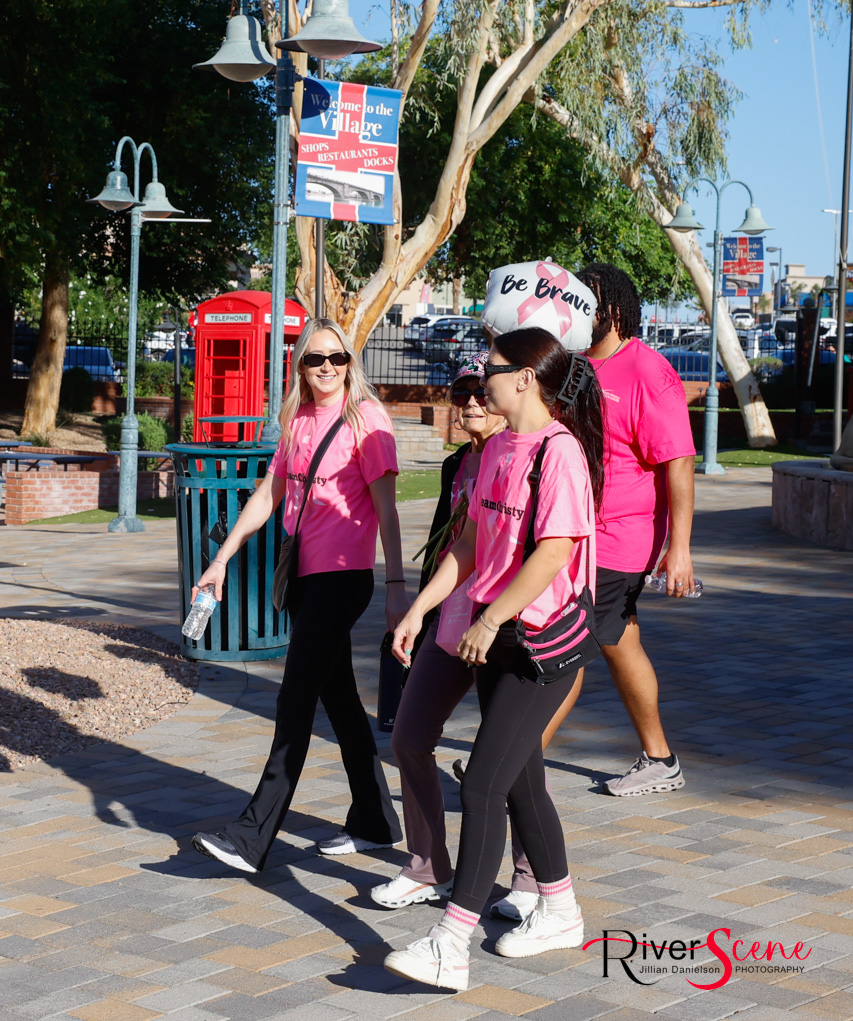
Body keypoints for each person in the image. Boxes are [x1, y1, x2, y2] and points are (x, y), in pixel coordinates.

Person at [383, 327, 604, 991]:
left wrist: (490, 615)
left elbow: (552, 551)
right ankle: (560, 908)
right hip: (491, 633)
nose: (481, 379)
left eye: (492, 369)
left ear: (524, 378)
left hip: (538, 643)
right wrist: (423, 608)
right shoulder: (501, 445)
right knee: (517, 779)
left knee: (481, 781)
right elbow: (473, 540)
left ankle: (451, 943)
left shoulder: (558, 451)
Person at [191, 318, 405, 873]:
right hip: (305, 578)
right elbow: (269, 493)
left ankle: (253, 834)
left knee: (294, 699)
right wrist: (221, 558)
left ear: (350, 363)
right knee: (339, 701)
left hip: (345, 576)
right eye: (316, 359)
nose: (328, 367)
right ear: (300, 367)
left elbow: (387, 510)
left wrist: (399, 588)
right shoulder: (296, 420)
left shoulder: (367, 419)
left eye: (338, 357)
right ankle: (376, 820)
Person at [370, 353, 506, 911]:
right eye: (461, 393)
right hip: (450, 617)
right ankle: (427, 866)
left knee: (511, 760)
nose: (471, 402)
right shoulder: (457, 465)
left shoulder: (523, 455)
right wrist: (417, 610)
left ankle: (529, 882)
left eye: (481, 391)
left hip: (504, 624)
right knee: (408, 736)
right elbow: (451, 548)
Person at [577, 263, 697, 795]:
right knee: (619, 640)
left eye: (591, 301)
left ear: (617, 310)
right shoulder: (574, 367)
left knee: (563, 642)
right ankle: (660, 759)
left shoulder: (649, 371)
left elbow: (680, 462)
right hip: (574, 530)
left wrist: (680, 549)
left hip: (624, 535)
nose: (580, 310)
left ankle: (512, 761)